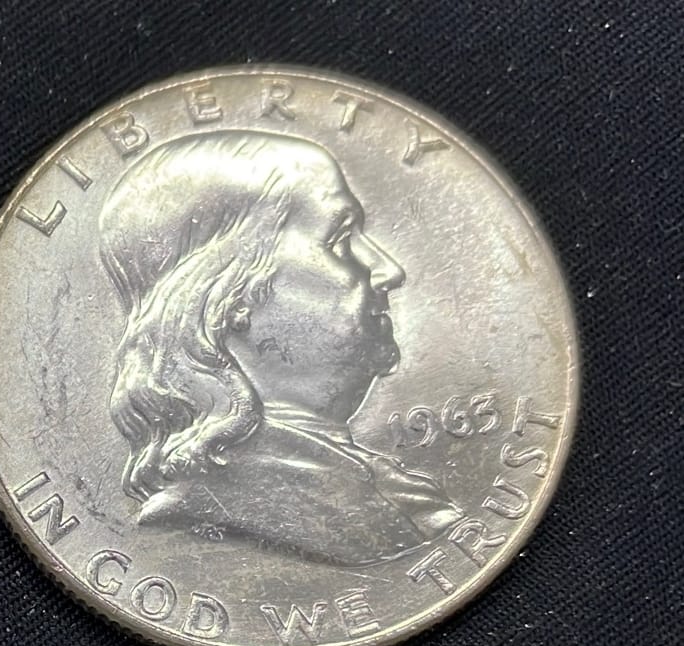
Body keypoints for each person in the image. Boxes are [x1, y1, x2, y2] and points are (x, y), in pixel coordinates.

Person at [100, 131, 460, 564]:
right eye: (339, 239)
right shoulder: (227, 506)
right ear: (227, 298)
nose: (389, 270)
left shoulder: (383, 489)